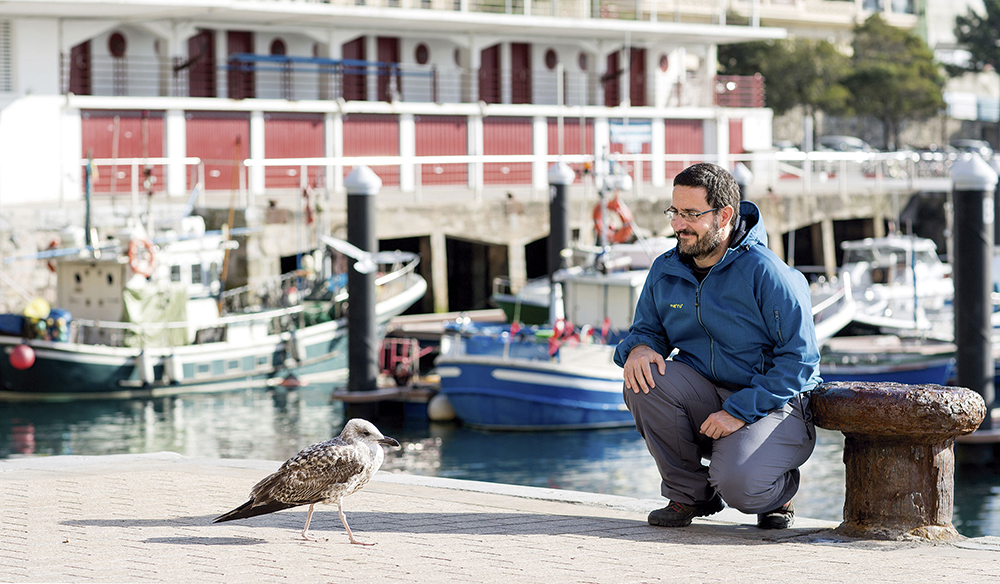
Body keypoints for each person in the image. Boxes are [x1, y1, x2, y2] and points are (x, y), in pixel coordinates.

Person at [614, 162, 819, 530]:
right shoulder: (665, 269)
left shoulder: (768, 273)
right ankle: (690, 495)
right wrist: (640, 348)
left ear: (724, 215)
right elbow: (646, 329)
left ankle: (780, 491)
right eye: (674, 211)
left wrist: (739, 411)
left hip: (775, 403)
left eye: (691, 214)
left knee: (740, 486)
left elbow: (800, 360)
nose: (678, 224)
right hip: (707, 395)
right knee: (644, 379)